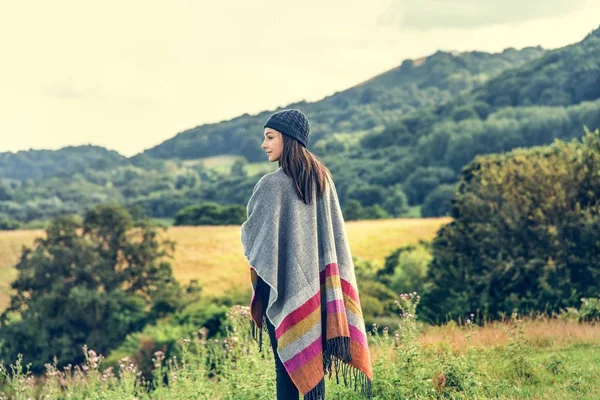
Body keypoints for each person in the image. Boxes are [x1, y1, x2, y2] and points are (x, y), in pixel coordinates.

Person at [241, 109, 373, 400]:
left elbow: (253, 239)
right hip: (321, 292)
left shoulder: (271, 185)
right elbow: (333, 239)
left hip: (283, 291)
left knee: (285, 368)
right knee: (315, 372)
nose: (264, 144)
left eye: (270, 137)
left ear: (288, 140)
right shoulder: (323, 178)